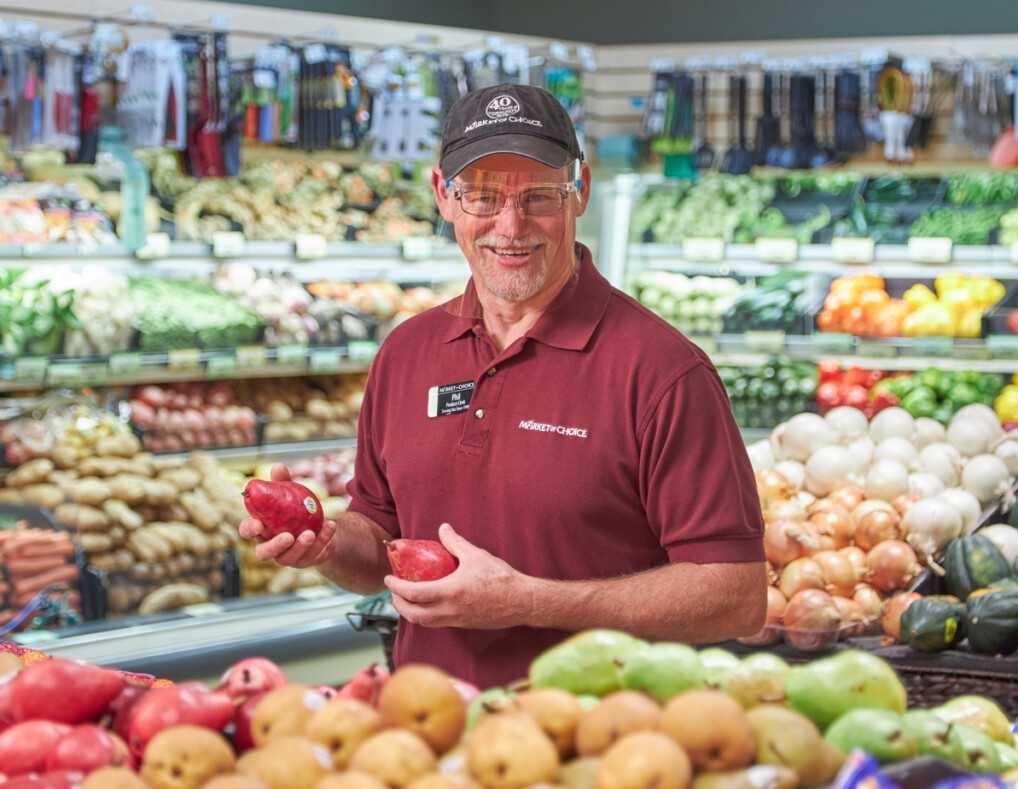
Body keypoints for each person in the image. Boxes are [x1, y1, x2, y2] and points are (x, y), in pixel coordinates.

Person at [240, 83, 767, 689]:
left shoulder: (663, 372)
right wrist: (328, 545)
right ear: (444, 196)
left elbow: (737, 596)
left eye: (539, 196)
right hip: (428, 730)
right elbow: (380, 535)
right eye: (483, 197)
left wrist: (531, 602)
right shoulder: (406, 354)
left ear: (580, 193)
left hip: (598, 744)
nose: (510, 227)